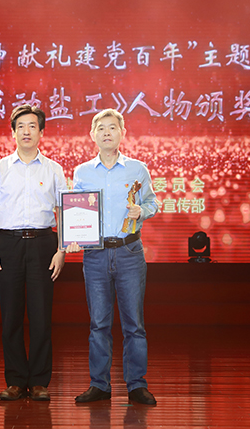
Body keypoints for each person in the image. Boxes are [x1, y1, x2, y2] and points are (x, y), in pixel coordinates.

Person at [67, 108, 159, 405]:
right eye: (101, 128)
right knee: (99, 324)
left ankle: (137, 385)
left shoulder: (137, 169)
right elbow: (75, 210)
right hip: (95, 253)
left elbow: (153, 202)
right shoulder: (82, 172)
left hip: (129, 251)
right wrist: (73, 237)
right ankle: (99, 385)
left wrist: (141, 211)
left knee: (134, 324)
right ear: (92, 135)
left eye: (112, 128)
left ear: (122, 133)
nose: (107, 133)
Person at [0, 104, 67, 402]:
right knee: (11, 315)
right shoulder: (0, 168)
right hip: (8, 244)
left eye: (32, 126)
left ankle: (40, 381)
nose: (26, 131)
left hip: (43, 243)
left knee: (41, 316)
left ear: (41, 132)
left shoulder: (54, 169)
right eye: (21, 126)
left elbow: (64, 211)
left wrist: (61, 250)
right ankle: (15, 380)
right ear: (13, 132)